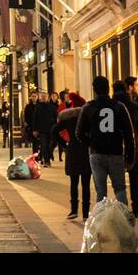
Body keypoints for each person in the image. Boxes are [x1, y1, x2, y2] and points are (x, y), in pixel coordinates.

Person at [76, 74, 135, 206]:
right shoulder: (119, 106)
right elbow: (128, 134)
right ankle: (123, 217)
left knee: (100, 191)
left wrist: (91, 143)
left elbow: (79, 133)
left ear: (94, 90)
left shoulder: (88, 107)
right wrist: (130, 156)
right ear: (108, 89)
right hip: (116, 151)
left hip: (97, 153)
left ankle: (101, 220)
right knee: (120, 188)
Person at [114, 80, 138, 217]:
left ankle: (122, 208)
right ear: (127, 90)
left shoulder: (112, 107)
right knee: (135, 178)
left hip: (116, 147)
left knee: (119, 180)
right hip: (133, 145)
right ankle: (136, 206)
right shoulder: (135, 106)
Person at [57, 92, 91, 220]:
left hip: (72, 151)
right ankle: (86, 213)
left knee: (74, 182)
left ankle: (74, 210)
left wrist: (64, 145)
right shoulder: (87, 118)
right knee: (86, 183)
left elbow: (54, 131)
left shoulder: (68, 118)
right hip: (85, 151)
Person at [33, 91, 58, 167]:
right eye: (42, 96)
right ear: (40, 97)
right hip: (42, 130)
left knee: (51, 145)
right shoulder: (38, 107)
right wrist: (35, 130)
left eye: (45, 96)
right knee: (44, 145)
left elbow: (56, 118)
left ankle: (48, 155)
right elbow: (35, 119)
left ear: (48, 97)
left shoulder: (52, 107)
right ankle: (47, 161)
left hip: (51, 129)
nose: (43, 97)